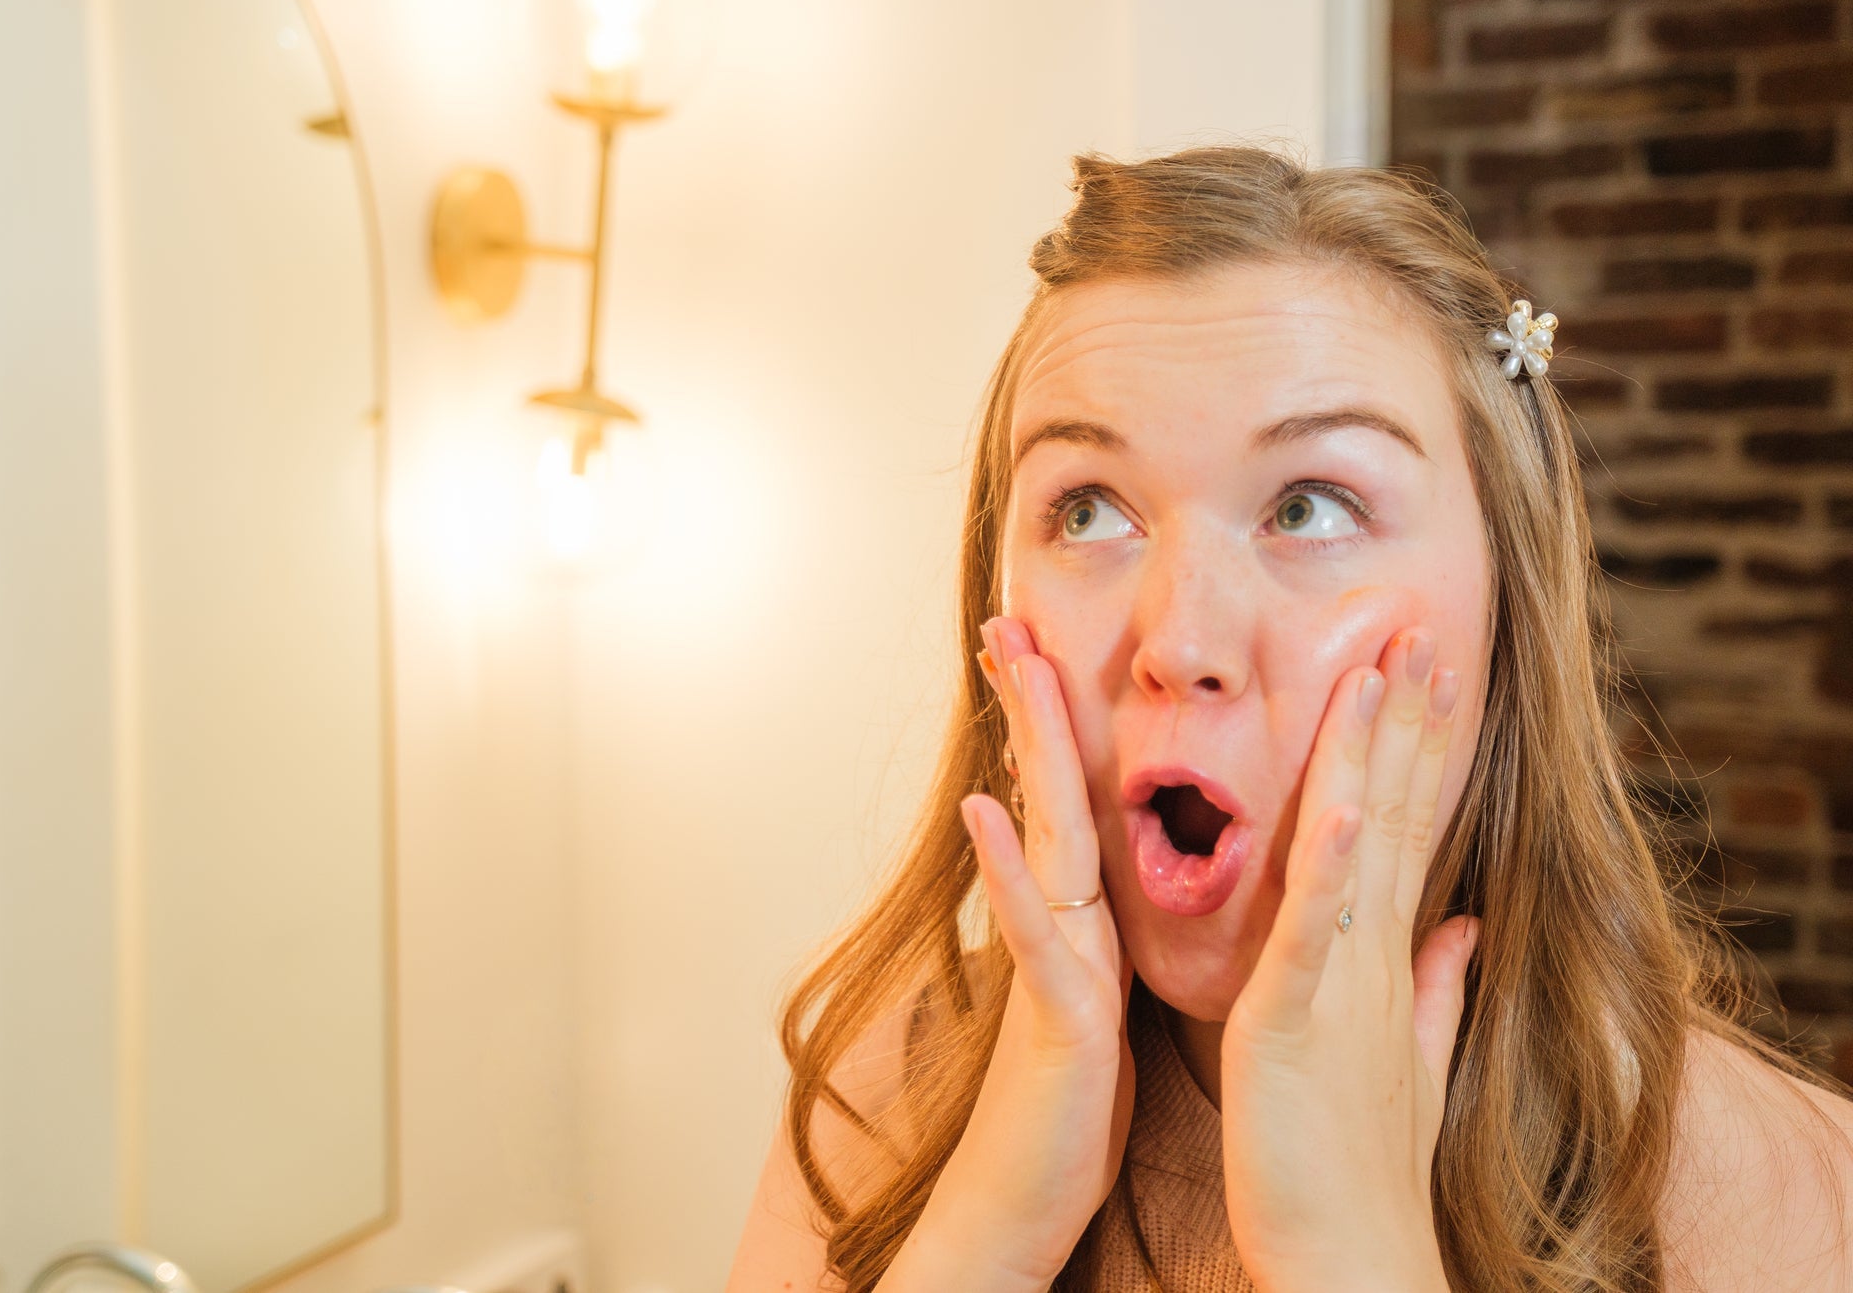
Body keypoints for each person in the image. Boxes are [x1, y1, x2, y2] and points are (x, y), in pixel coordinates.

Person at [723, 145, 1853, 1292]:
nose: (1179, 645)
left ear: (1505, 603)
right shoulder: (877, 1092)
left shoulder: (1798, 1203)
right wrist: (987, 1231)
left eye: (1308, 508)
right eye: (1087, 508)